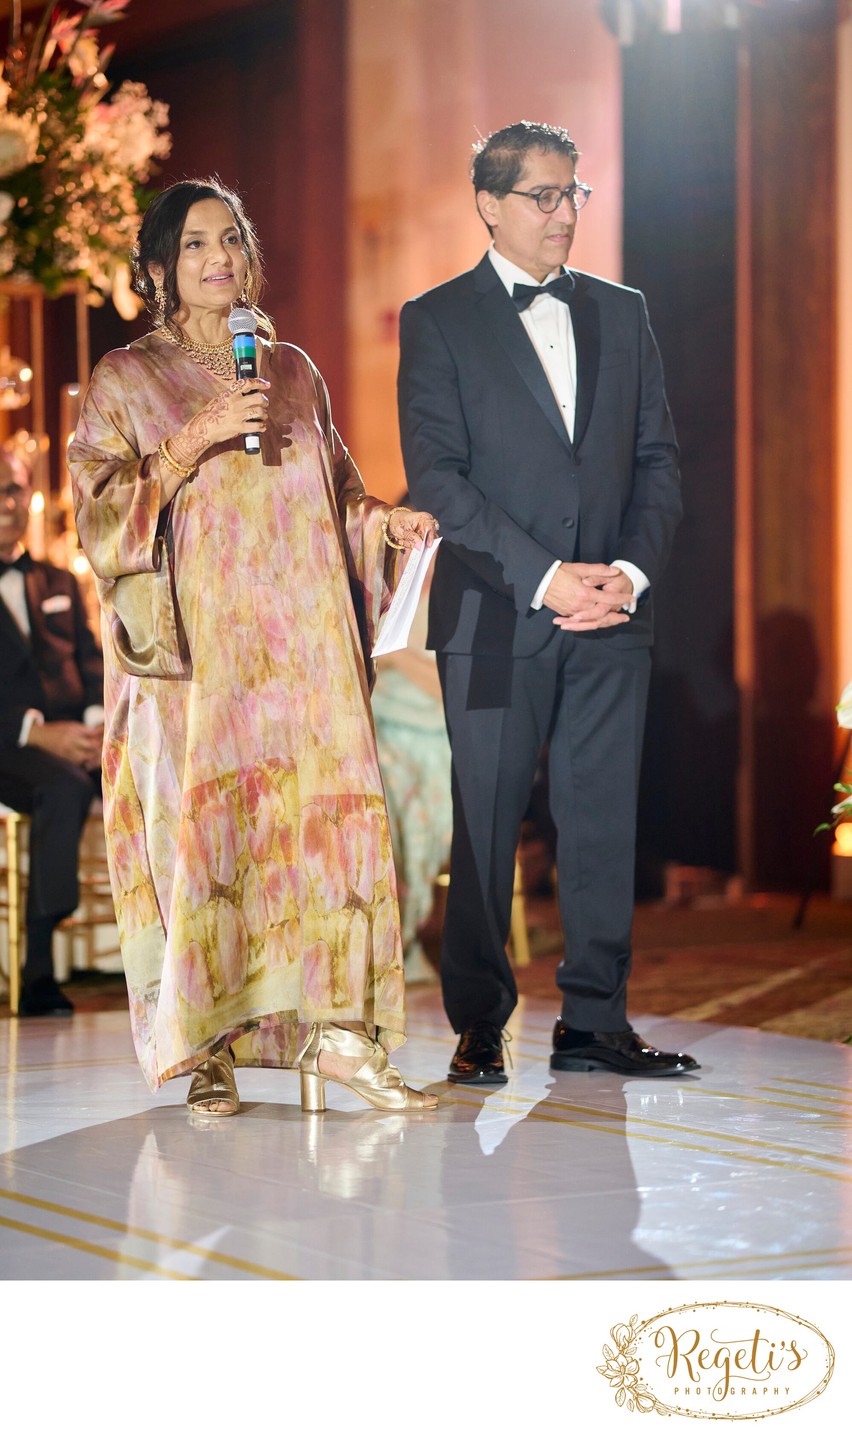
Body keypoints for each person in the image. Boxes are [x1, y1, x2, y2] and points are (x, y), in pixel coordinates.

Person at [69, 178, 439, 1116]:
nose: (217, 258)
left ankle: (341, 1035)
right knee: (213, 843)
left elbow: (338, 495)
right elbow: (99, 518)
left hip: (307, 659)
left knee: (326, 829)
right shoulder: (124, 378)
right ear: (158, 268)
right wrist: (191, 440)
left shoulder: (295, 370)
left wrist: (382, 526)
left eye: (229, 239)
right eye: (193, 245)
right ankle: (210, 1046)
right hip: (202, 668)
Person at [397, 121, 699, 1082]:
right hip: (493, 615)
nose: (566, 212)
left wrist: (629, 576)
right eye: (545, 196)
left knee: (602, 818)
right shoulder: (437, 318)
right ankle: (479, 1023)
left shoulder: (623, 310)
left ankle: (595, 1022)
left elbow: (659, 463)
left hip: (612, 613)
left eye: (576, 194)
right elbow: (439, 481)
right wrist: (546, 575)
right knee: (484, 825)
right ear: (489, 204)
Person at [0, 447, 103, 1016]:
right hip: (10, 748)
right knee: (62, 785)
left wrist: (96, 726)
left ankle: (179, 952)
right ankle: (38, 968)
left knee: (155, 775)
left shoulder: (57, 577)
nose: (7, 505)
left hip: (80, 741)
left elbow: (91, 658)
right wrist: (37, 735)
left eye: (14, 491)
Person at [371, 570, 452, 983]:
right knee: (363, 780)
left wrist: (395, 652)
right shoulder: (381, 588)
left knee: (394, 790)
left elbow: (448, 687)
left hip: (433, 734)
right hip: (379, 722)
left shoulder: (454, 594)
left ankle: (399, 941)